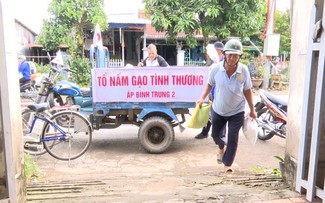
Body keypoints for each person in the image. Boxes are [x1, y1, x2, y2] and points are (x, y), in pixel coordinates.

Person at [196, 39, 256, 173]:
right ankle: (221, 147)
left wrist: (252, 109)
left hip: (237, 111)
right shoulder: (216, 69)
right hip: (218, 109)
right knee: (215, 135)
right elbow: (209, 85)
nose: (233, 58)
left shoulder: (243, 70)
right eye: (230, 55)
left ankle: (227, 164)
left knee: (233, 138)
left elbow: (247, 90)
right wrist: (202, 98)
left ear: (239, 56)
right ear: (224, 54)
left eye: (236, 55)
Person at [195, 41, 225, 139]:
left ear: (219, 51)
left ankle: (221, 136)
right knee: (209, 113)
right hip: (213, 92)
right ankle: (205, 132)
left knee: (221, 115)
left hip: (221, 93)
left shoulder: (225, 62)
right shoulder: (216, 62)